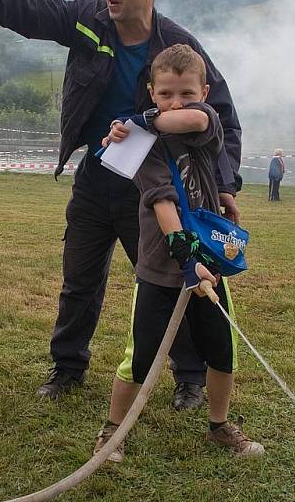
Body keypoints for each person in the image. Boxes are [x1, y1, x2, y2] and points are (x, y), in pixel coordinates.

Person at [0, 0, 243, 410]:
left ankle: (190, 377)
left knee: (173, 280)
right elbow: (31, 9)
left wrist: (223, 185)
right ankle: (67, 367)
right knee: (79, 278)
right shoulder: (89, 18)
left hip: (157, 187)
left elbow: (221, 113)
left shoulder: (177, 48)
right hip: (96, 178)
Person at [93, 44, 263, 462]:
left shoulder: (206, 124)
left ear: (204, 91)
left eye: (187, 92)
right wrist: (185, 256)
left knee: (222, 351)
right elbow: (161, 199)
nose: (176, 102)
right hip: (160, 266)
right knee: (140, 356)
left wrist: (136, 120)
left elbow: (193, 117)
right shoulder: (144, 146)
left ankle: (220, 426)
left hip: (212, 266)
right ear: (152, 90)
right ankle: (112, 432)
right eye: (165, 93)